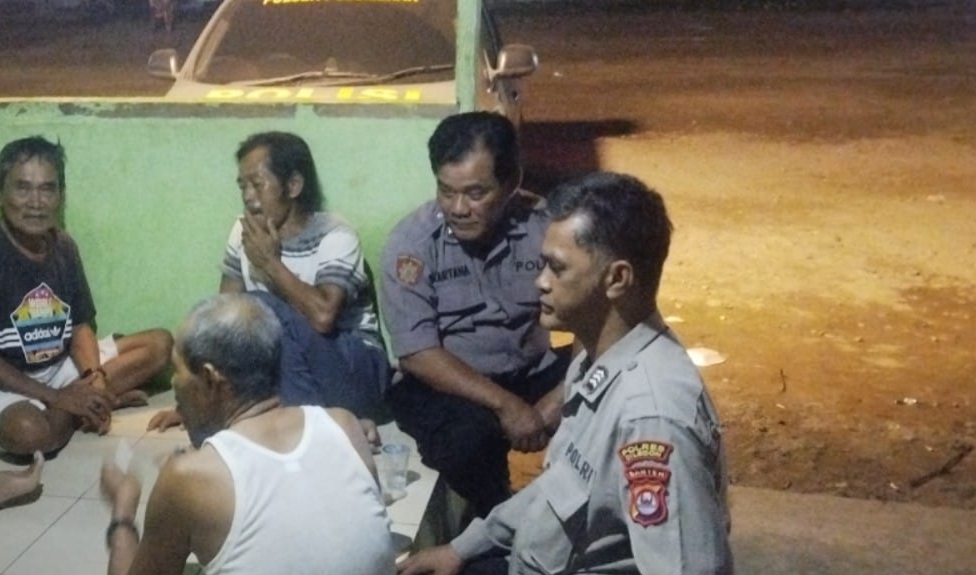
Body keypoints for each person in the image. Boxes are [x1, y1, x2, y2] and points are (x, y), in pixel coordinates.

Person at [398, 172, 733, 575]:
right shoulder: (595, 362)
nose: (540, 282)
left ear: (617, 279)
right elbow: (561, 485)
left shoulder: (652, 417)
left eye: (557, 268)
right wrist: (462, 548)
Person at [101, 293, 395, 575]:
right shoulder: (344, 425)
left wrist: (123, 510)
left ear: (210, 378)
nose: (174, 384)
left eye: (178, 370)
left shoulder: (187, 478)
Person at [380, 112, 570, 517]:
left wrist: (562, 395)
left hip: (532, 372)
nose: (458, 208)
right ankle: (498, 520)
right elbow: (417, 353)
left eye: (475, 193)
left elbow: (601, 317)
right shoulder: (412, 243)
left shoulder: (545, 228)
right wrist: (507, 406)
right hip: (452, 386)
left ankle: (589, 513)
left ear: (512, 182)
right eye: (446, 191)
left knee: (616, 380)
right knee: (465, 440)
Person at [148, 131, 388, 432]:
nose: (249, 197)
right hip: (297, 378)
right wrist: (196, 401)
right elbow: (223, 323)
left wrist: (270, 265)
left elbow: (324, 317)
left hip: (355, 371)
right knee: (235, 317)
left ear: (293, 185)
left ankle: (313, 428)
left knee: (261, 305)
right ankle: (309, 423)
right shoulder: (243, 232)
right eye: (243, 186)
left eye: (257, 184)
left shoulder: (336, 234)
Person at [0, 136, 172, 458]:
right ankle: (77, 410)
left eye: (47, 189)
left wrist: (95, 380)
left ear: (61, 196)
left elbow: (80, 326)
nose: (35, 202)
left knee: (159, 345)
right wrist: (56, 397)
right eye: (22, 188)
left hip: (61, 366)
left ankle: (85, 401)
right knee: (29, 434)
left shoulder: (64, 247)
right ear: (2, 193)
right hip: (12, 383)